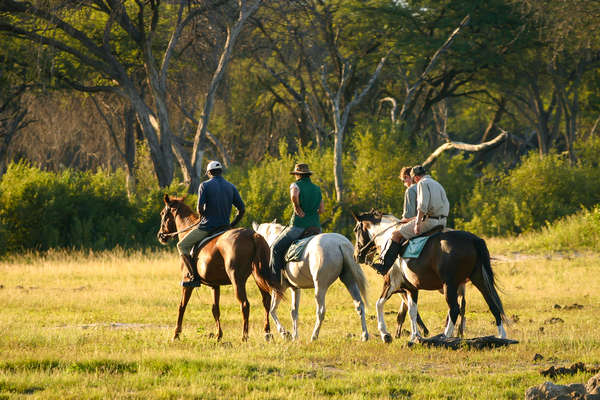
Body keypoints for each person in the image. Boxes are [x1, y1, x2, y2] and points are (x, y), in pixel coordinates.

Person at [177, 160, 245, 287]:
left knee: (182, 245)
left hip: (208, 227)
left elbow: (199, 208)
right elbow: (242, 209)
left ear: (209, 173)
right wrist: (232, 224)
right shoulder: (231, 186)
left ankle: (193, 277)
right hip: (225, 227)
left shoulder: (204, 185)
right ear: (221, 172)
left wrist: (203, 217)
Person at [371, 165, 449, 275]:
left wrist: (417, 223)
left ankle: (384, 267)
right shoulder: (437, 184)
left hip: (429, 222)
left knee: (396, 235)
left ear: (416, 178)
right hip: (442, 221)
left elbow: (422, 206)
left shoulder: (421, 183)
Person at [269, 163, 324, 283]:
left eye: (296, 175)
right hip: (316, 228)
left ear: (298, 175)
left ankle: (275, 280)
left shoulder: (295, 185)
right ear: (308, 175)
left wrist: (296, 206)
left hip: (298, 226)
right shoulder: (317, 189)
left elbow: (294, 195)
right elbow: (321, 210)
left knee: (275, 248)